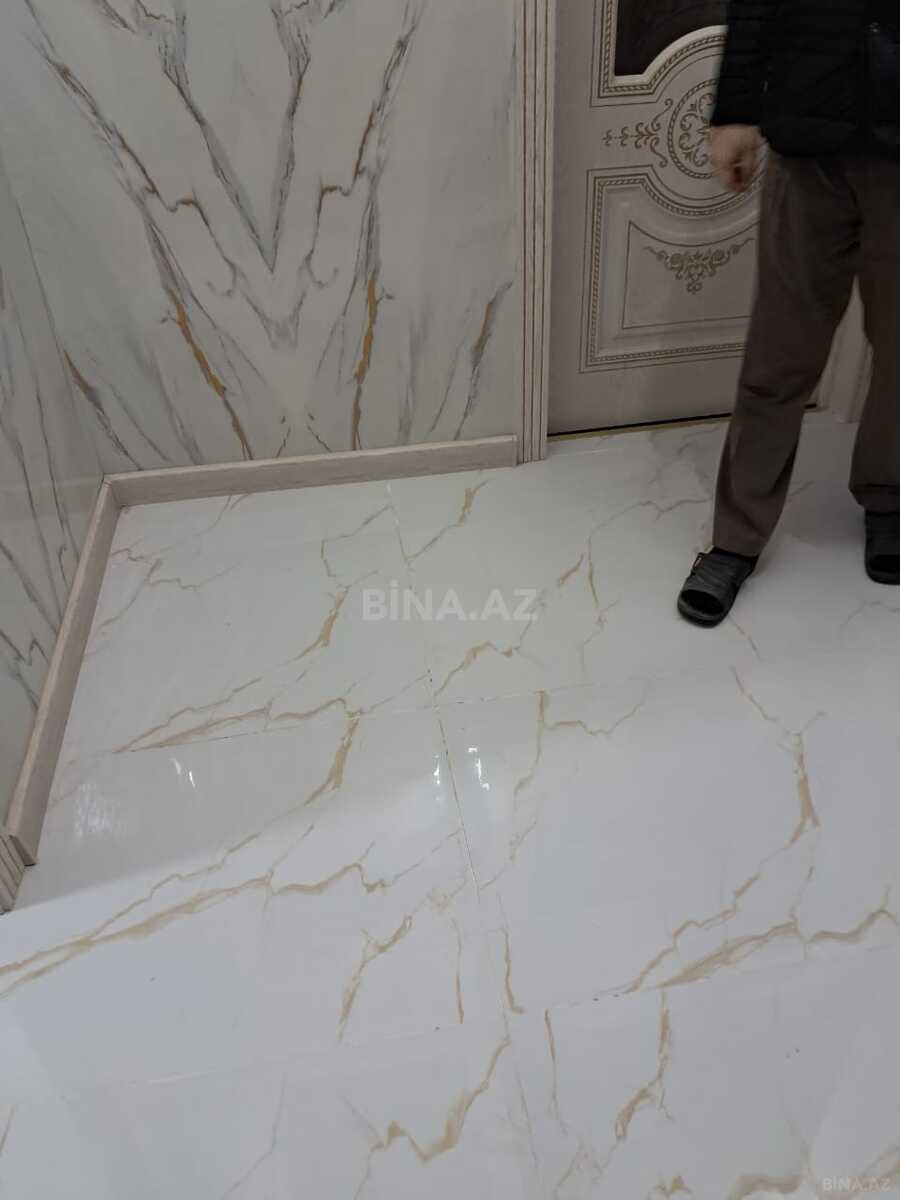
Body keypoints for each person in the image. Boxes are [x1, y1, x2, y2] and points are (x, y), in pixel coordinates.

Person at [677, 1, 900, 627]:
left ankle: (888, 494)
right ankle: (736, 536)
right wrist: (735, 109)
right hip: (808, 140)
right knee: (780, 350)